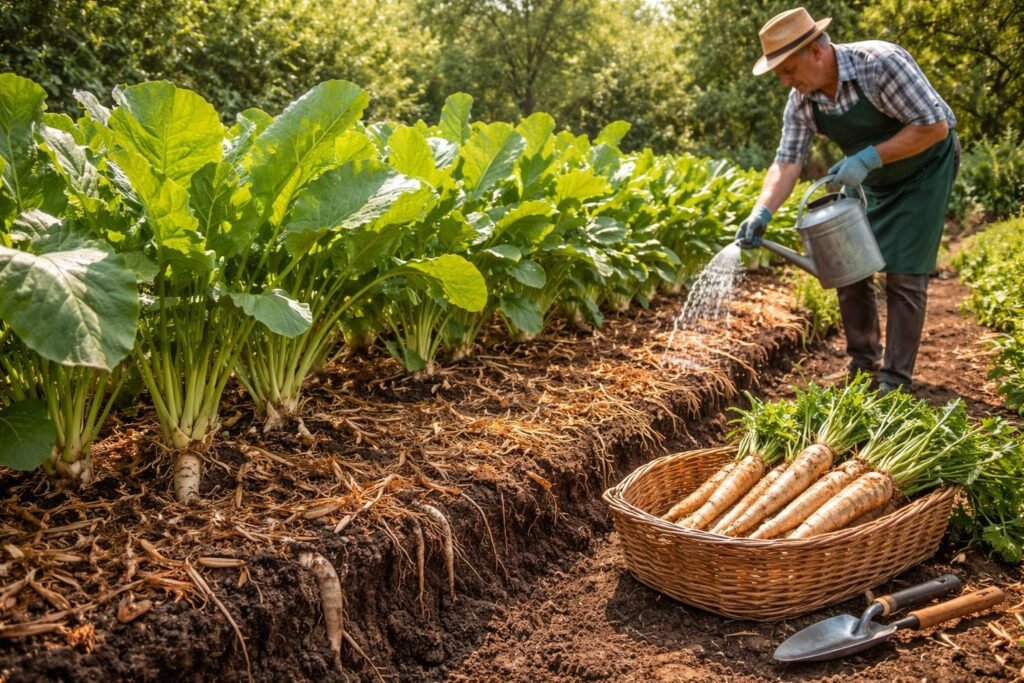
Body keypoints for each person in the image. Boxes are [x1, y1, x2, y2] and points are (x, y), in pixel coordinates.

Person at [735, 7, 959, 395]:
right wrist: (762, 210)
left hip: (925, 169)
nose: (785, 82)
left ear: (816, 53)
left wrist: (868, 157)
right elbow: (787, 163)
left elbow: (934, 127)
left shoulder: (880, 65)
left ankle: (894, 379)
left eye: (788, 70)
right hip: (874, 178)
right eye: (780, 75)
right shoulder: (802, 101)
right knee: (847, 262)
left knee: (904, 273)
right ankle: (863, 363)